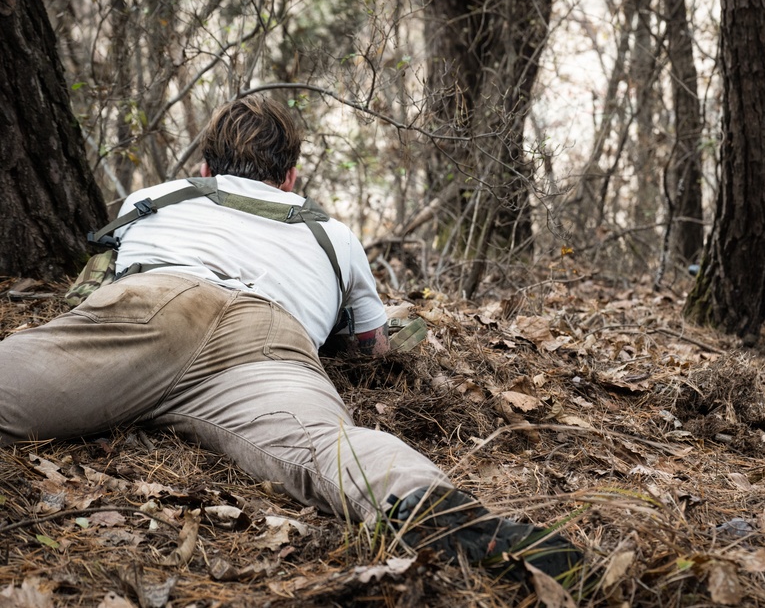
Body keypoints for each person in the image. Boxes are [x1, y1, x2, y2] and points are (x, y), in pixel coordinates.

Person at [0, 94, 581, 581]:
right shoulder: (334, 233)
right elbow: (373, 347)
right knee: (328, 446)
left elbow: (92, 284)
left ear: (205, 168)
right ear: (292, 176)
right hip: (271, 340)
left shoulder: (153, 198)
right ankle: (455, 518)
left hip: (156, 306)